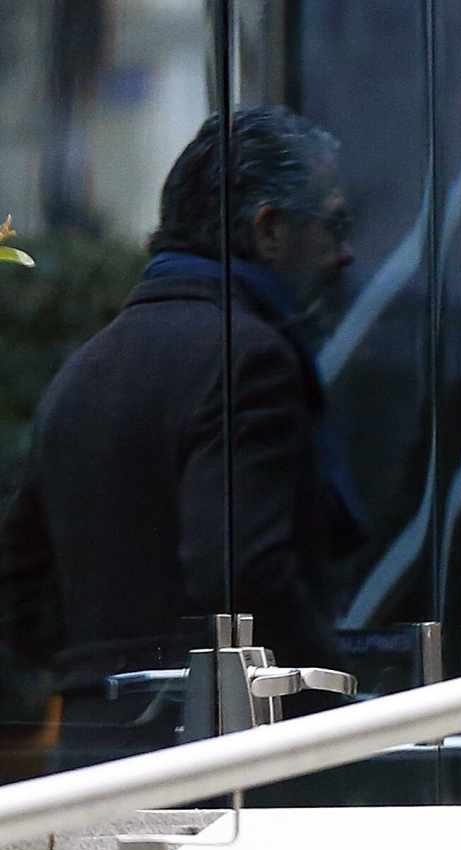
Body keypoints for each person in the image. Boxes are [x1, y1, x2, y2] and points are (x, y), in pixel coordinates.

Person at [0, 106, 363, 762]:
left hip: (90, 757)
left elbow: (22, 581)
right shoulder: (247, 356)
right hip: (216, 763)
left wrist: (103, 676)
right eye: (333, 224)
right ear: (271, 230)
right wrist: (335, 711)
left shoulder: (85, 368)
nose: (346, 253)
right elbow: (242, 567)